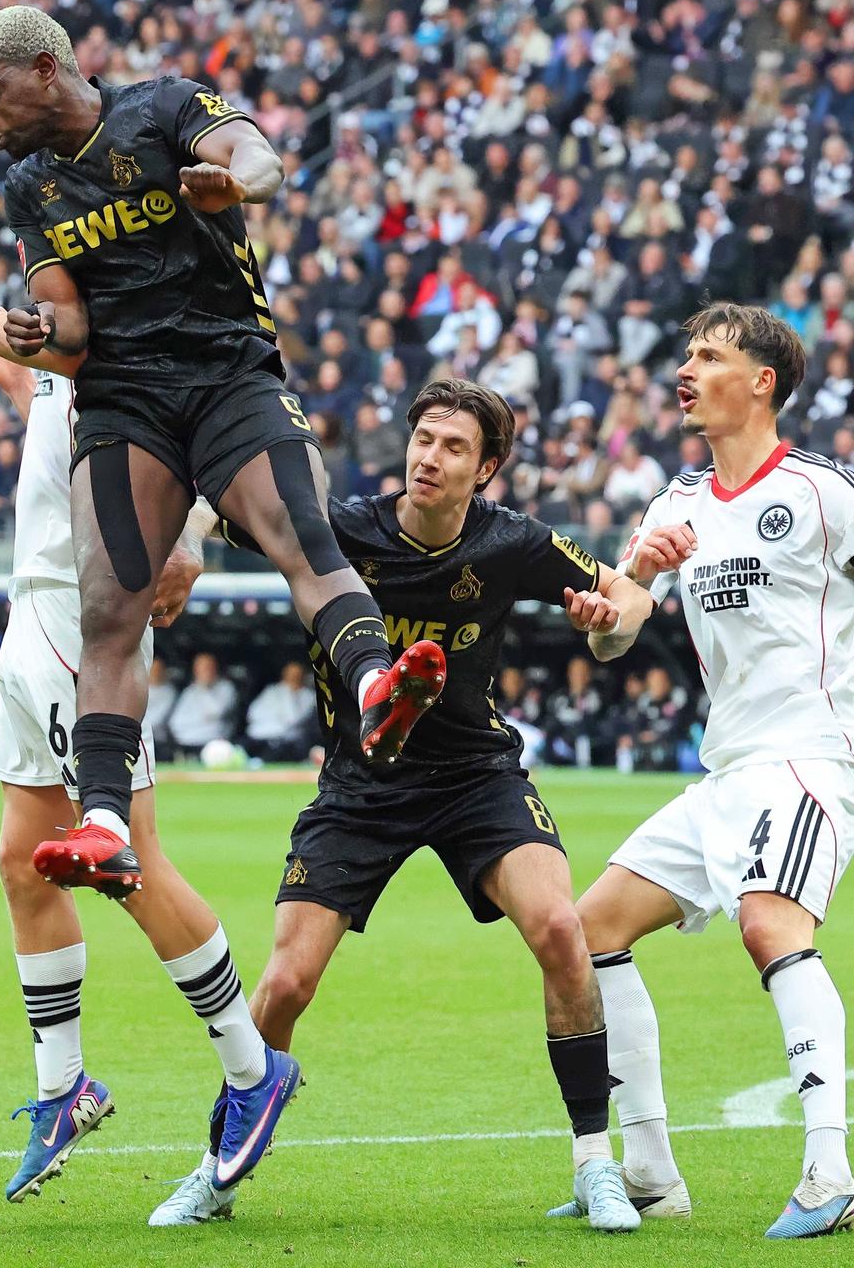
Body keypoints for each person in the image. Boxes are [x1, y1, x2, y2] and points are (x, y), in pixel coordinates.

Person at [0, 6, 443, 910]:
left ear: (46, 68)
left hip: (229, 371)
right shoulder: (29, 187)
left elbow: (262, 158)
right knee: (109, 607)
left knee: (299, 530)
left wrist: (234, 185)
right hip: (125, 400)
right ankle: (106, 826)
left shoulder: (163, 107)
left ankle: (374, 691)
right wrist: (36, 330)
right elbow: (70, 332)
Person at [150, 378, 653, 1229]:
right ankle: (217, 1172)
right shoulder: (337, 529)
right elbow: (213, 500)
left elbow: (629, 601)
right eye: (424, 439)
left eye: (454, 447)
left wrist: (604, 617)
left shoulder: (513, 541)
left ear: (485, 469)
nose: (431, 457)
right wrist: (189, 543)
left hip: (475, 779)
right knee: (285, 983)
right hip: (361, 786)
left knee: (561, 930)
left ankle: (594, 1165)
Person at [0, 343, 303, 1205]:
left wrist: (187, 535)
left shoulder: (140, 358)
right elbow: (13, 364)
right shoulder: (54, 357)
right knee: (20, 862)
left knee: (132, 862)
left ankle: (252, 1066)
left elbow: (212, 456)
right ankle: (64, 1088)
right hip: (27, 616)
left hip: (84, 617)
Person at [551, 304, 854, 1239]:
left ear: (762, 382)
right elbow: (615, 634)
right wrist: (624, 590)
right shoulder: (675, 502)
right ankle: (649, 1172)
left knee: (769, 924)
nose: (685, 369)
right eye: (685, 354)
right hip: (726, 771)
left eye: (709, 355)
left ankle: (831, 1171)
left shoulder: (822, 491)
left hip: (806, 758)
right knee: (588, 931)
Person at [166, 652, 239, 757]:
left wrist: (204, 688)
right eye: (200, 668)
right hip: (186, 743)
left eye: (207, 667)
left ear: (215, 668)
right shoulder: (190, 690)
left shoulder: (226, 688)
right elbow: (175, 722)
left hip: (214, 745)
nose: (204, 671)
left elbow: (216, 712)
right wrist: (198, 722)